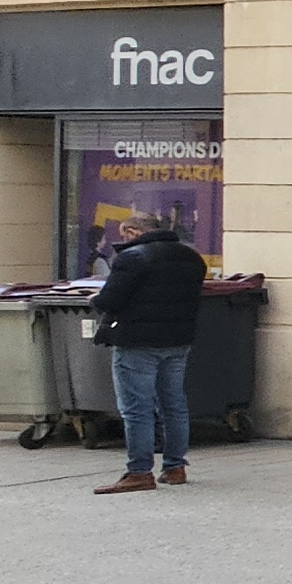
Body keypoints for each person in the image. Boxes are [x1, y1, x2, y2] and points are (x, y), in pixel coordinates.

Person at [90, 211, 206, 494]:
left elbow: (110, 301)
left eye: (124, 234)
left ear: (132, 232)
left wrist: (94, 299)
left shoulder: (133, 258)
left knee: (137, 408)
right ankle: (175, 467)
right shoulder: (192, 257)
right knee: (173, 404)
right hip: (177, 341)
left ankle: (140, 472)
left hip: (136, 343)